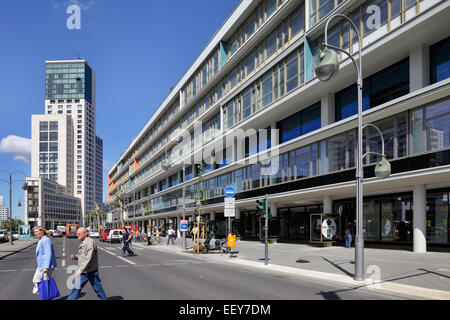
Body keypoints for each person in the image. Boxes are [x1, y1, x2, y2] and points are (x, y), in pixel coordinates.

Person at [67, 227, 108, 300]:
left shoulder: (90, 243)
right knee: (76, 289)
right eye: (77, 233)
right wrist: (76, 256)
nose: (77, 235)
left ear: (85, 234)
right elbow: (84, 255)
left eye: (79, 233)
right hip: (85, 271)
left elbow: (88, 258)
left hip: (90, 271)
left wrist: (80, 270)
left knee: (98, 289)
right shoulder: (85, 242)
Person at [32, 226, 57, 295]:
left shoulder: (46, 240)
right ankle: (44, 294)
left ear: (42, 232)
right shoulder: (41, 240)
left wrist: (46, 267)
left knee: (40, 281)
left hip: (46, 266)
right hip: (42, 265)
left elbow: (48, 253)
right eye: (34, 232)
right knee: (40, 281)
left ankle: (45, 295)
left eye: (36, 232)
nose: (35, 233)